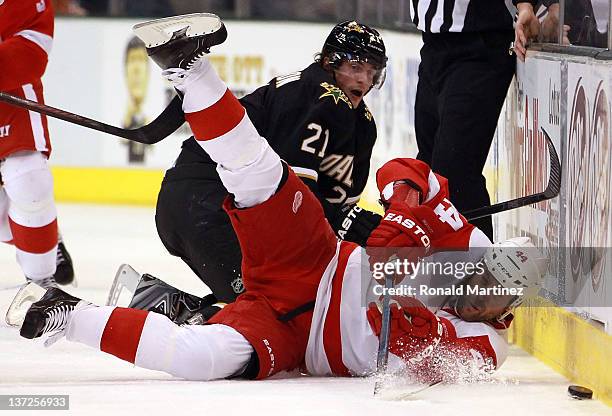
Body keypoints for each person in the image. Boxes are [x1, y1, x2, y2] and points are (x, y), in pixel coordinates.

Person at [14, 15, 546, 383]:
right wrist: (407, 217)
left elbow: (419, 350)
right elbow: (408, 174)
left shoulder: (487, 348)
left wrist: (401, 286)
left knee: (204, 359)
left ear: (508, 310)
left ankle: (69, 316)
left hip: (295, 339)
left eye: (491, 296)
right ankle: (188, 69)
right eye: (479, 275)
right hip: (313, 259)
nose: (475, 292)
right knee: (262, 178)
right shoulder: (462, 240)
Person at [132, 19, 387, 316]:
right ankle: (171, 315)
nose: (364, 81)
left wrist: (352, 222)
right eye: (356, 68)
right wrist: (348, 223)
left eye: (372, 72)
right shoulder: (316, 95)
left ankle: (166, 306)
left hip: (199, 203)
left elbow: (332, 207)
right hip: (207, 204)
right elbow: (295, 195)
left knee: (288, 308)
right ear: (331, 62)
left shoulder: (360, 123)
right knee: (272, 312)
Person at [411, 1, 543, 240]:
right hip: (432, 45)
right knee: (429, 169)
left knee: (454, 173)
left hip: (480, 47)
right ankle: (443, 268)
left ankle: (478, 273)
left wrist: (526, 5)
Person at [0, 0, 74, 288]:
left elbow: (32, 51)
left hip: (10, 100)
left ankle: (43, 287)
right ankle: (46, 237)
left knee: (28, 181)